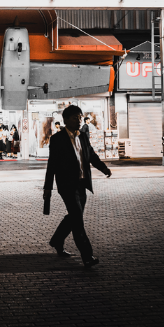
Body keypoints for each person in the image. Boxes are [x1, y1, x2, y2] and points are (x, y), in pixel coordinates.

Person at [43, 104, 111, 268]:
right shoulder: (57, 139)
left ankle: (57, 241)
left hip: (82, 184)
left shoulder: (83, 136)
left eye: (80, 117)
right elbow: (52, 164)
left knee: (73, 217)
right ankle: (87, 256)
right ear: (65, 120)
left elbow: (91, 156)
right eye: (75, 118)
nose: (79, 120)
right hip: (67, 186)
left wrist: (103, 168)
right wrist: (47, 188)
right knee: (77, 220)